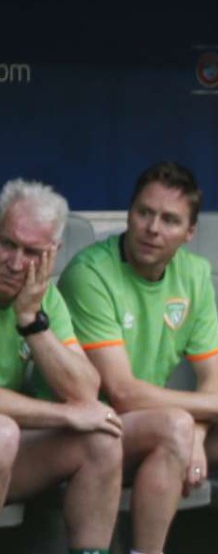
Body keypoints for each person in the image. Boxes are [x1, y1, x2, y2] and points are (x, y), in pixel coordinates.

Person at [58, 162, 218, 554]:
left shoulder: (194, 273)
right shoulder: (91, 272)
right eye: (144, 212)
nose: (153, 228)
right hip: (86, 432)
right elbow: (122, 391)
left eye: (169, 219)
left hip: (161, 429)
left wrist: (197, 435)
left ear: (190, 232)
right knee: (175, 426)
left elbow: (215, 376)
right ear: (129, 212)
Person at [0, 179, 123, 554]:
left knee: (102, 436)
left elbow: (85, 391)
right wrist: (64, 416)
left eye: (32, 252)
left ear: (51, 254)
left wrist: (31, 319)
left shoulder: (42, 295)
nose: (16, 263)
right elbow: (73, 410)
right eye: (7, 244)